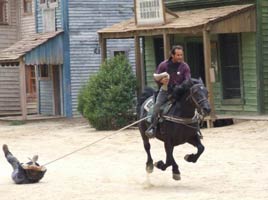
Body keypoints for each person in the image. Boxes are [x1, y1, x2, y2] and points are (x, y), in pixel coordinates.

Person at [145, 46, 191, 138]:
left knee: (192, 102)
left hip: (180, 92)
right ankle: (152, 127)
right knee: (157, 105)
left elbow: (188, 80)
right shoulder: (163, 65)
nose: (180, 57)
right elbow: (156, 77)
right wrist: (161, 81)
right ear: (172, 55)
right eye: (178, 55)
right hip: (165, 91)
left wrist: (181, 87)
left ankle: (195, 128)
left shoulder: (184, 66)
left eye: (181, 55)